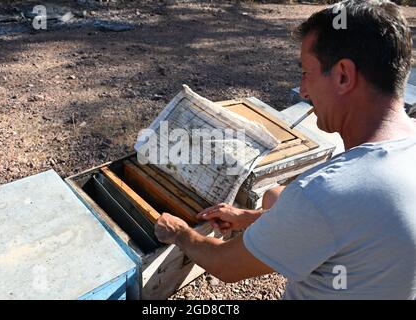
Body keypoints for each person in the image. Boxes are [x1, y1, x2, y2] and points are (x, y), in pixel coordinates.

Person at [154, 0, 416, 299]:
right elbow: (345, 230)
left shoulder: (325, 193)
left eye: (307, 72)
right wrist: (250, 218)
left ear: (343, 75)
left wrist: (180, 233)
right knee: (274, 197)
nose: (303, 90)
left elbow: (225, 264)